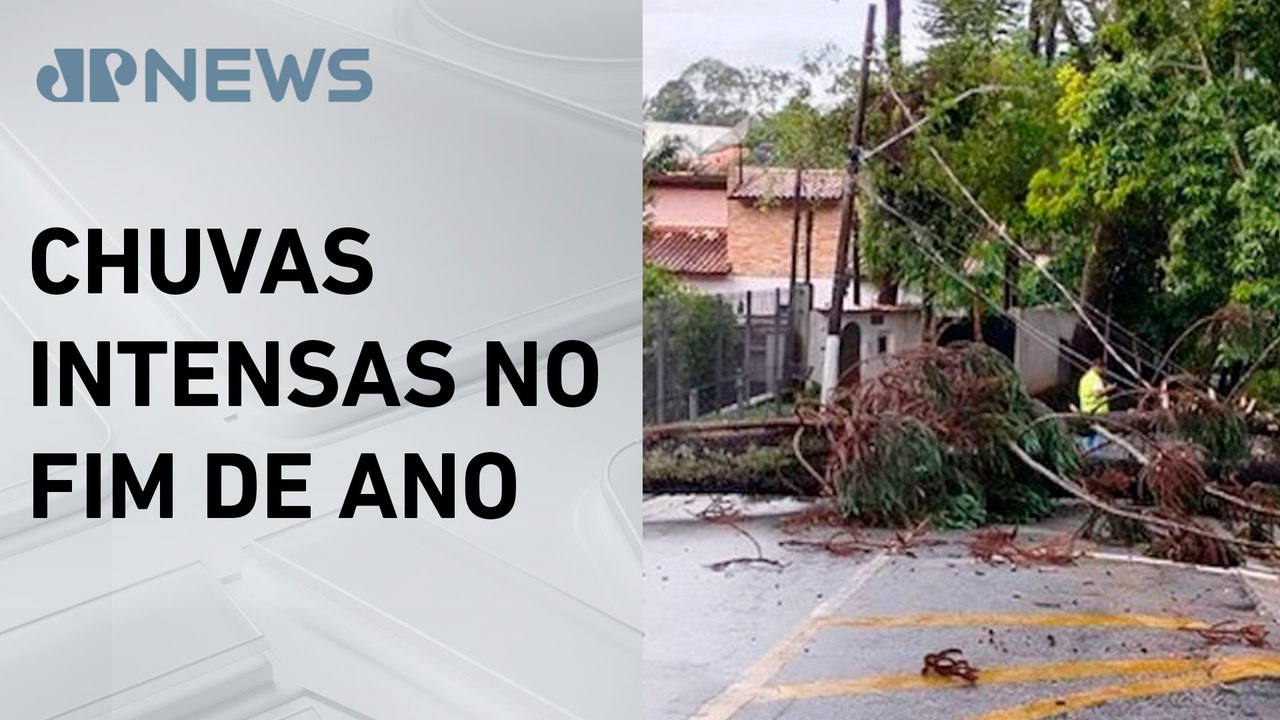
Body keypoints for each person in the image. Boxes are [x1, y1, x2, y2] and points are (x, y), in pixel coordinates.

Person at [1078, 356, 1109, 454]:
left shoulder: (1084, 378)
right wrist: (1108, 389)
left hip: (1086, 410)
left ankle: (1086, 454)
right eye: (1103, 368)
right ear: (1098, 367)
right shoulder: (1096, 379)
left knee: (1088, 435)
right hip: (1098, 411)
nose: (1104, 371)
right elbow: (1097, 393)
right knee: (1098, 436)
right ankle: (1097, 457)